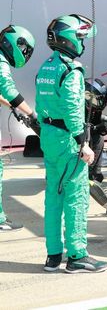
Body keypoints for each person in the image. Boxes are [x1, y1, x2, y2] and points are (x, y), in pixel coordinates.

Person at [36, 14, 107, 273]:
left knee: (53, 198)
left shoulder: (46, 67)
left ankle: (53, 256)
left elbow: (40, 105)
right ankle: (77, 255)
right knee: (76, 199)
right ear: (68, 39)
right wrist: (83, 143)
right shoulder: (71, 70)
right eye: (79, 37)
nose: (82, 42)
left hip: (49, 139)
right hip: (69, 141)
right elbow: (72, 110)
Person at [0, 25, 36, 232]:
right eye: (24, 50)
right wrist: (31, 113)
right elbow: (9, 89)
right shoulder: (1, 61)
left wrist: (12, 106)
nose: (24, 55)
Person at [85, 78, 107, 183]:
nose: (99, 102)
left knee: (99, 137)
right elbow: (75, 126)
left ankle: (94, 173)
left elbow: (94, 121)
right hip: (69, 138)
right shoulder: (76, 107)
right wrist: (95, 128)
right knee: (97, 139)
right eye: (97, 99)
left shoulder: (94, 109)